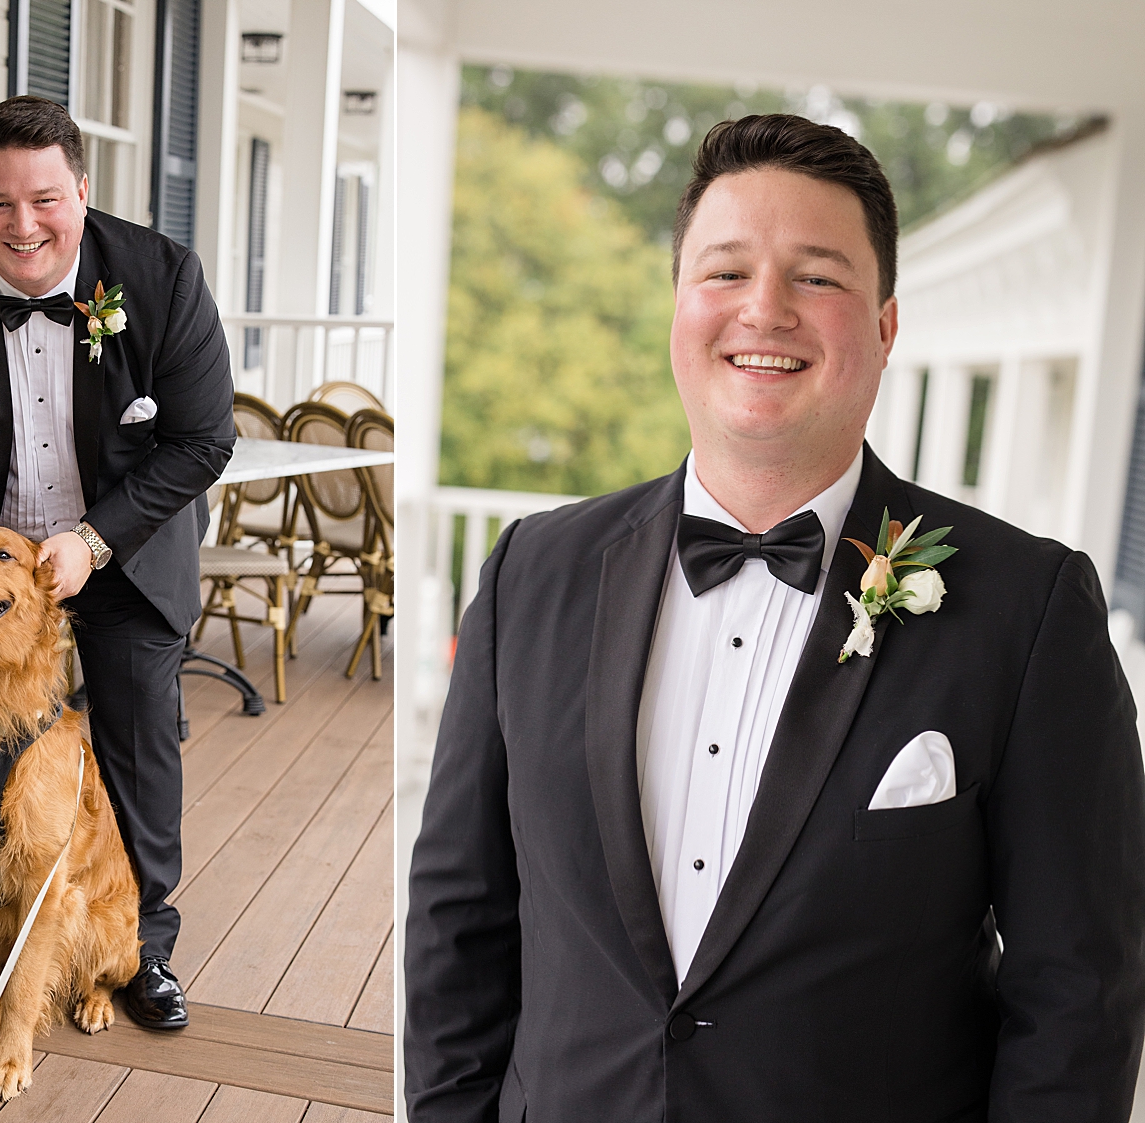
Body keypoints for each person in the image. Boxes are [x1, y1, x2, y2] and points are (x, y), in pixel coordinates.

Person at [404, 114, 1145, 1121]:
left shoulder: (1029, 608)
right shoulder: (532, 571)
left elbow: (1078, 996)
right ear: (677, 305)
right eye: (725, 271)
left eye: (818, 276)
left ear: (885, 327)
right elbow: (459, 919)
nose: (765, 309)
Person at [0, 95, 235, 1031]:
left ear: (80, 188)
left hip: (125, 551)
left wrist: (93, 539)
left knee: (137, 748)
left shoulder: (162, 278)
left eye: (42, 199)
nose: (20, 224)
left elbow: (200, 440)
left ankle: (141, 949)